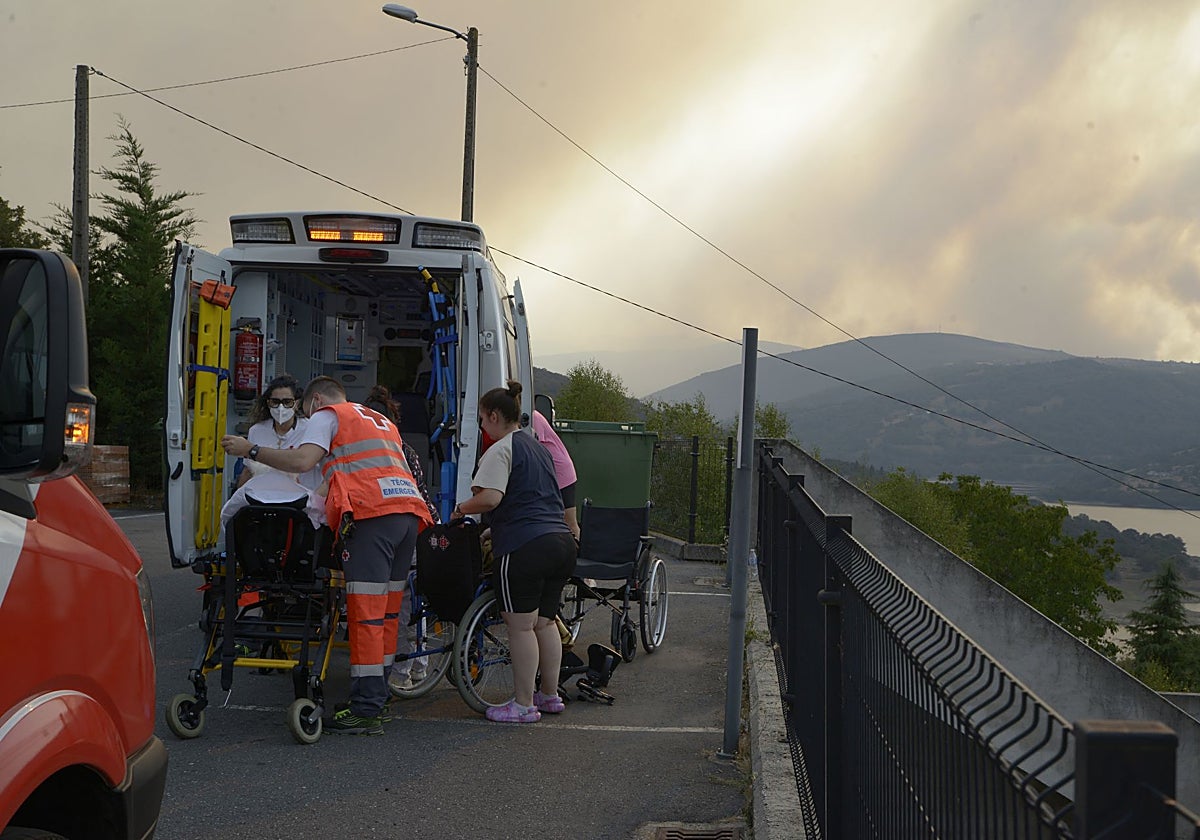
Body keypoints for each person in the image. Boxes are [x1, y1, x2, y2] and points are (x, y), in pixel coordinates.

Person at [221, 375, 433, 735]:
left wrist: (251, 450)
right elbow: (335, 479)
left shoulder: (327, 415)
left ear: (316, 401)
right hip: (407, 516)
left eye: (303, 409)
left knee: (365, 615)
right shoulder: (375, 420)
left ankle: (365, 709)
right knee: (388, 612)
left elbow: (304, 461)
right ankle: (377, 701)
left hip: (373, 518)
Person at [452, 380, 577, 723]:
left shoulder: (501, 449)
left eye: (481, 420)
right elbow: (533, 499)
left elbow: (490, 498)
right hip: (561, 543)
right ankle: (549, 696)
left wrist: (462, 508)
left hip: (525, 547)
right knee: (544, 623)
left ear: (494, 416)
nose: (481, 428)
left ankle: (522, 704)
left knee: (520, 627)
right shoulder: (537, 447)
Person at [362, 384, 441, 694]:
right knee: (409, 601)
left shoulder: (378, 451)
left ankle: (401, 668)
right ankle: (414, 667)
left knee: (400, 604)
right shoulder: (404, 448)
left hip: (404, 531)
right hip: (419, 527)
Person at [219, 375, 319, 529]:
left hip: (300, 504)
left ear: (296, 403)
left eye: (287, 402)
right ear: (268, 403)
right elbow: (248, 470)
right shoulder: (257, 431)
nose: (281, 408)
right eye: (275, 402)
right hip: (261, 503)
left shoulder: (310, 429)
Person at [531, 409, 581, 541]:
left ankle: (578, 556)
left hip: (561, 473)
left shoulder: (533, 417)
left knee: (569, 523)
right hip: (548, 473)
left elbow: (532, 444)